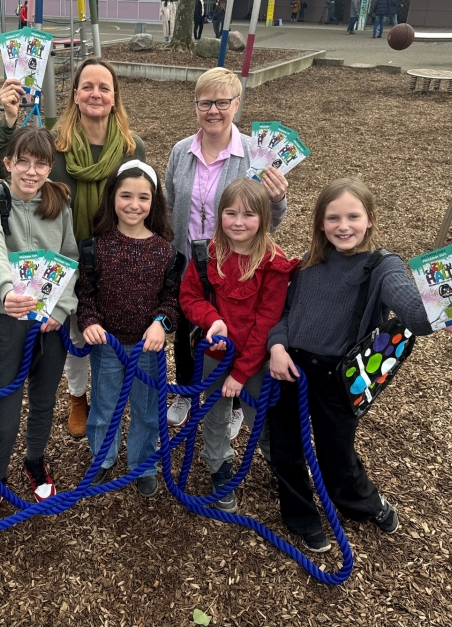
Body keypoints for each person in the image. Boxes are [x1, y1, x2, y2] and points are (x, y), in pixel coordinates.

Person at [267, 178, 452, 553]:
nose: (343, 226)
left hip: (337, 377)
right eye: (333, 218)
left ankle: (362, 502)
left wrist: (445, 314)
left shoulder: (383, 266)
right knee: (285, 447)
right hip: (290, 369)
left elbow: (413, 314)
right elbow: (285, 314)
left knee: (336, 455)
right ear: (321, 223)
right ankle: (301, 515)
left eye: (353, 216)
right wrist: (276, 346)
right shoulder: (307, 265)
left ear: (370, 220)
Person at [0, 58, 146, 441]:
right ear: (75, 94)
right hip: (65, 256)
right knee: (73, 330)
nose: (95, 93)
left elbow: (142, 196)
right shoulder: (55, 143)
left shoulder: (131, 146)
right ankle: (78, 396)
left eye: (104, 87)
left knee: (109, 328)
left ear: (114, 98)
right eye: (87, 86)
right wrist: (9, 120)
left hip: (115, 254)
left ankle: (110, 397)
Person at [164, 67, 288, 440]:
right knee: (189, 329)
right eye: (205, 102)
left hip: (236, 263)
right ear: (196, 105)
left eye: (222, 102)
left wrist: (279, 198)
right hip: (191, 259)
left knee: (236, 330)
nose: (213, 110)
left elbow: (268, 217)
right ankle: (187, 391)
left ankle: (232, 403)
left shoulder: (255, 153)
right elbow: (172, 202)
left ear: (237, 104)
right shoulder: (181, 151)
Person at [0, 126, 79, 526]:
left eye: (40, 163)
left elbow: (69, 258)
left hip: (51, 319)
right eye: (23, 162)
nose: (31, 172)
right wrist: (4, 291)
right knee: (5, 403)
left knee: (45, 397)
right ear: (8, 163)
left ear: (50, 167)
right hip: (11, 315)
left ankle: (35, 459)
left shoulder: (58, 202)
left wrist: (63, 308)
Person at [180, 179, 298, 513]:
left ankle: (281, 465)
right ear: (220, 215)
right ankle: (219, 466)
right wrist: (211, 317)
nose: (238, 221)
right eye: (230, 213)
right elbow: (189, 296)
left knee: (261, 415)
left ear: (263, 217)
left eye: (248, 214)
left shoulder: (273, 262)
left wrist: (242, 372)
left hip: (256, 360)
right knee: (215, 413)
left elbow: (266, 321)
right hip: (216, 355)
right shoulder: (208, 253)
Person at [76, 161, 181, 498]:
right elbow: (86, 294)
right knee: (105, 406)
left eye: (143, 197)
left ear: (154, 203)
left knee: (149, 409)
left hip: (146, 348)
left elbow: (171, 302)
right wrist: (89, 321)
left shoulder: (165, 250)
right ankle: (101, 457)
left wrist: (160, 325)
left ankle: (143, 463)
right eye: (126, 196)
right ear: (112, 198)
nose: (134, 205)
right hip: (107, 345)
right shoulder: (97, 247)